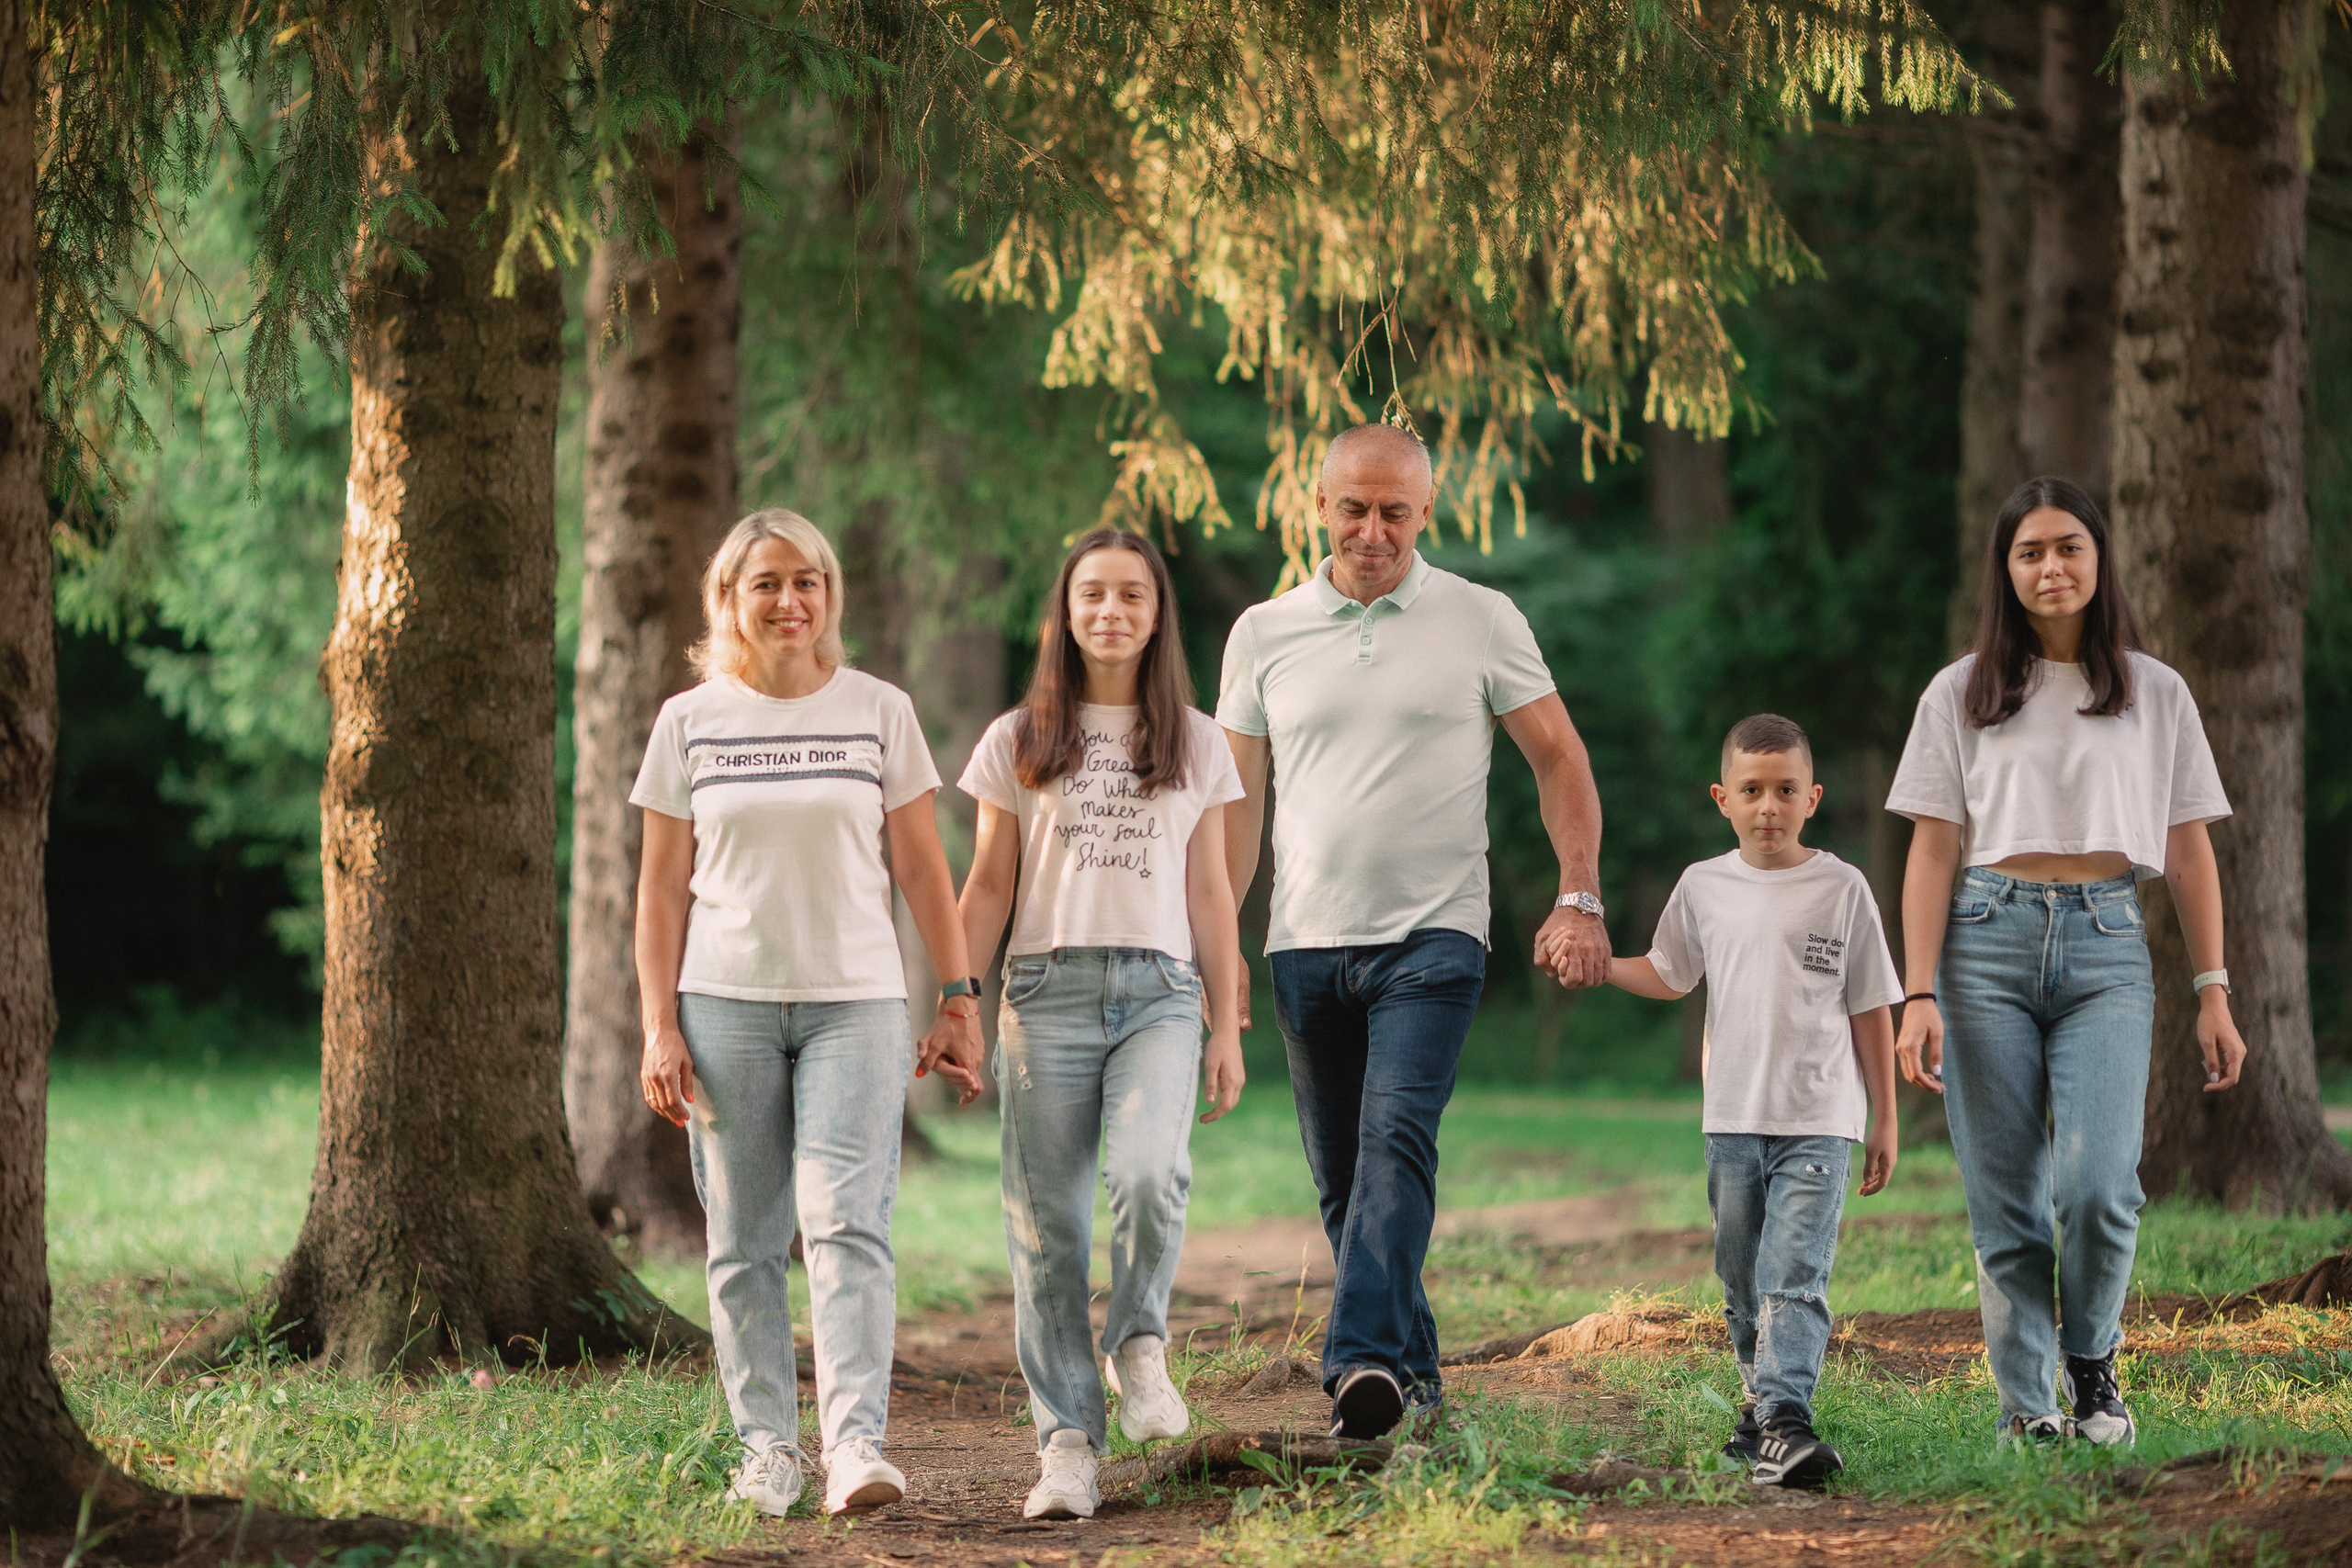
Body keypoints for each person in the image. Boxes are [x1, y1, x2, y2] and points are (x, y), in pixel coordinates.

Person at [1217, 423, 1608, 1438]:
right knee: (1344, 1181)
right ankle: (1414, 1374)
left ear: (1426, 510)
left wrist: (1577, 891)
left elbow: (1559, 757)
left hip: (1436, 934)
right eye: (1354, 508)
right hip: (1303, 940)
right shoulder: (1262, 633)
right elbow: (1236, 807)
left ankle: (1357, 1364)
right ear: (1318, 506)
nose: (1373, 530)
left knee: (1395, 1139)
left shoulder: (1481, 619)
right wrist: (1219, 946)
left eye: (1396, 511)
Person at [632, 509, 987, 1518]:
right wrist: (658, 1024)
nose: (789, 601)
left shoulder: (879, 710)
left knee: (847, 1225)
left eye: (807, 582)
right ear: (728, 599)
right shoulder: (688, 721)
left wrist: (958, 995)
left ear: (829, 595)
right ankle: (766, 1451)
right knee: (744, 1240)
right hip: (724, 1009)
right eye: (766, 583)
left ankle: (855, 1444)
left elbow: (923, 868)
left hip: (856, 1006)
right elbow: (658, 891)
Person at [1887, 476, 2245, 1447]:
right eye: (2030, 552)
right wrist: (1916, 990)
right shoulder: (1960, 691)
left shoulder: (2154, 691)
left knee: (2099, 1185)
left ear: (2098, 558)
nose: (2051, 567)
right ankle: (2029, 1407)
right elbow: (1931, 850)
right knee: (2004, 1199)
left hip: (2107, 944)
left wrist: (2213, 991)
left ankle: (2091, 1362)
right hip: (1981, 944)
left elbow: (2187, 851)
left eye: (2068, 547)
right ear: (2005, 570)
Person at [957, 527, 1248, 1521]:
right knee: (1047, 1232)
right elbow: (987, 885)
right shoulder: (1018, 737)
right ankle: (1068, 1445)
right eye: (1093, 594)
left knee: (1150, 1173)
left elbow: (1211, 892)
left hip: (1162, 991)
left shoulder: (1197, 741)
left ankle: (1138, 1341)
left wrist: (1226, 1023)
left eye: (1132, 594)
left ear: (1158, 614)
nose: (1111, 611)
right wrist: (957, 997)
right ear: (1066, 612)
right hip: (1044, 992)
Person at [1603, 714, 1900, 1490]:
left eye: (1786, 790)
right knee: (1741, 1281)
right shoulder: (1704, 886)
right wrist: (1602, 964)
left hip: (1820, 1119)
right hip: (1732, 1120)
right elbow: (1669, 973)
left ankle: (1786, 1421)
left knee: (1794, 1274)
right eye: (1753, 790)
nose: (1769, 805)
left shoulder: (1842, 887)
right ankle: (1760, 1403)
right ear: (1723, 798)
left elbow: (1871, 1004)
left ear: (1813, 798)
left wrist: (1885, 1116)